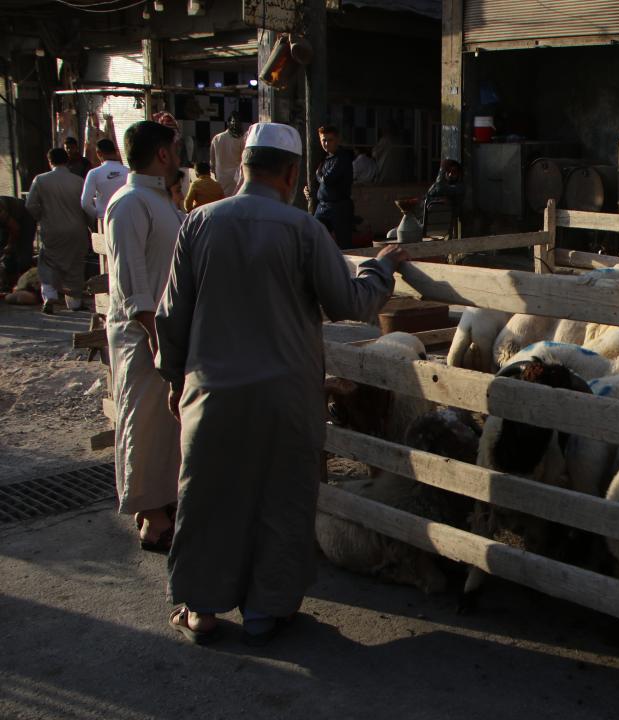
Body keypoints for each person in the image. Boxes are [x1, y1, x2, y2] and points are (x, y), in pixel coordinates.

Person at [155, 122, 407, 646]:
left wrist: (175, 381)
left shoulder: (199, 222)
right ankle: (264, 612)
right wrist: (380, 270)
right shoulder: (304, 230)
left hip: (212, 392)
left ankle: (200, 609)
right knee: (281, 498)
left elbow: (171, 317)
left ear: (244, 167)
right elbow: (349, 303)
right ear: (292, 174)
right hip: (285, 396)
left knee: (207, 497)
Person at [104, 120, 186, 553]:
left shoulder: (161, 201)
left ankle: (164, 503)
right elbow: (133, 284)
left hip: (166, 333)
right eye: (175, 149)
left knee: (167, 426)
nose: (179, 157)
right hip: (143, 336)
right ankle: (152, 520)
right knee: (144, 422)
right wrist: (156, 341)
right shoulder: (129, 203)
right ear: (162, 154)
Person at [25, 147, 90, 314]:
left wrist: (42, 217)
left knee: (48, 263)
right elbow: (86, 205)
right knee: (75, 265)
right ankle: (75, 302)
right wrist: (90, 226)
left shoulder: (40, 180)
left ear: (50, 161)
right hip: (77, 230)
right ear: (67, 161)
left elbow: (30, 205)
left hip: (52, 229)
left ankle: (50, 296)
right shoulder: (79, 181)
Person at [303, 125, 354, 248]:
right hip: (323, 206)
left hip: (339, 207)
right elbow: (318, 182)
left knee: (344, 245)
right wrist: (309, 190)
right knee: (313, 238)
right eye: (323, 140)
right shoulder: (325, 158)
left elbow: (327, 180)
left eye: (330, 140)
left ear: (337, 140)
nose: (326, 144)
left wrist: (318, 174)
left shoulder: (342, 158)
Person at [80, 138, 129, 223]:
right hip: (126, 218)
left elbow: (85, 203)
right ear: (115, 151)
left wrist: (98, 215)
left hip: (104, 218)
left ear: (99, 153)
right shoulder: (128, 171)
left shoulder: (94, 173)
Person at [0, 196, 36, 291]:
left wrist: (10, 245)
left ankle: (26, 284)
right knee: (3, 249)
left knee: (23, 251)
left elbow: (15, 228)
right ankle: (8, 281)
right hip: (7, 220)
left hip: (25, 215)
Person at [209, 112, 247, 197]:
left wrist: (215, 172)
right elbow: (244, 160)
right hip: (235, 178)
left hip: (220, 177)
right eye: (235, 122)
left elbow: (212, 162)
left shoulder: (217, 138)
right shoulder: (241, 139)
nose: (236, 125)